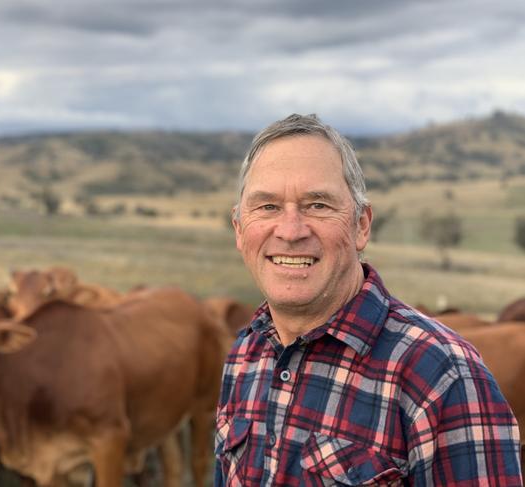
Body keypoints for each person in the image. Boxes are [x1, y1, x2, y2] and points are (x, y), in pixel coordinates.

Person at [215, 114, 522, 486]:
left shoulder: (442, 375)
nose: (291, 231)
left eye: (318, 205)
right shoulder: (245, 354)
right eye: (267, 207)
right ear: (239, 228)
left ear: (361, 225)